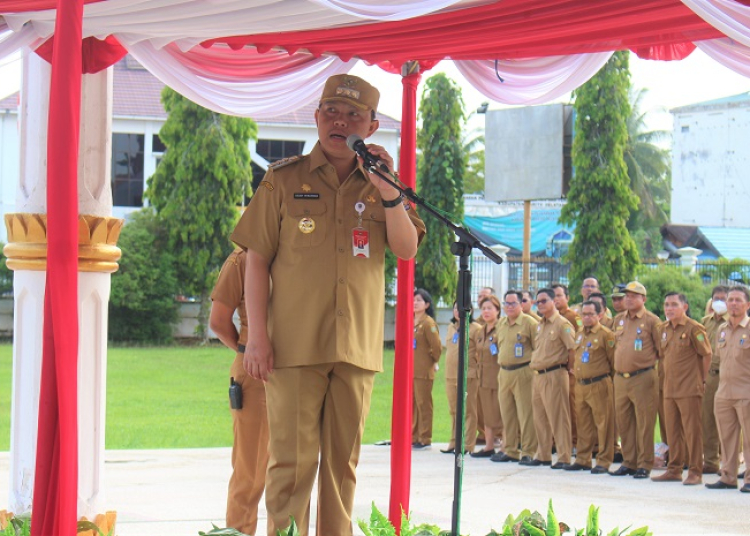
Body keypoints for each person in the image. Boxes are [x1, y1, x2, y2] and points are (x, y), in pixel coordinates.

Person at [231, 73, 425, 536]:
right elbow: (255, 262)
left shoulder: (383, 184)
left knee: (341, 474)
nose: (341, 122)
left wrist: (387, 191)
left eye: (353, 115)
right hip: (293, 349)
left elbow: (406, 248)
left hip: (356, 349)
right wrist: (256, 338)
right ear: (317, 118)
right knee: (291, 469)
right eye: (332, 112)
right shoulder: (283, 179)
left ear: (372, 126)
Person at [209, 248, 269, 535]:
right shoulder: (242, 259)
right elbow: (218, 322)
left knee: (296, 470)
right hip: (256, 375)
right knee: (251, 472)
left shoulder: (300, 247)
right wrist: (251, 353)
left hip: (301, 373)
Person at [651, 293, 711, 486]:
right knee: (672, 430)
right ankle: (674, 469)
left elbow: (706, 354)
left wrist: (703, 380)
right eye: (666, 304)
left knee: (692, 431)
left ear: (684, 307)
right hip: (669, 388)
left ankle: (695, 471)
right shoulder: (663, 329)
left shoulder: (694, 328)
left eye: (674, 304)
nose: (669, 308)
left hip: (689, 388)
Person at [610, 281, 661, 480]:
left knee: (644, 422)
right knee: (624, 422)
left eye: (634, 295)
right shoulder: (619, 320)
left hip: (643, 376)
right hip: (621, 378)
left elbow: (660, 350)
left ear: (643, 299)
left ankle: (644, 463)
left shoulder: (652, 321)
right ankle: (629, 461)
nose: (629, 299)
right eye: (627, 296)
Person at [521, 288, 575, 469]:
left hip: (555, 373)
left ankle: (564, 456)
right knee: (540, 417)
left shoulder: (562, 324)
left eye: (544, 301)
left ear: (554, 302)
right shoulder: (540, 325)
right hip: (539, 375)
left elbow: (572, 349)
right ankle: (543, 454)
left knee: (558, 417)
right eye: (538, 301)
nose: (540, 304)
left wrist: (568, 369)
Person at [705, 286, 750, 493]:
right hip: (724, 392)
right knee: (727, 437)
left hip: (746, 391)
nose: (733, 303)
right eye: (730, 300)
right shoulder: (721, 330)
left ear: (747, 305)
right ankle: (728, 476)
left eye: (738, 300)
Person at [566, 300, 616, 474]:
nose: (586, 318)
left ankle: (603, 460)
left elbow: (613, 362)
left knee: (604, 424)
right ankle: (583, 459)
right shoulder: (579, 334)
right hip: (581, 385)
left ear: (599, 315)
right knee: (583, 423)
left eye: (590, 314)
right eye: (584, 314)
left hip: (599, 383)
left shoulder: (606, 335)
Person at [493, 290, 538, 463]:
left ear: (521, 304)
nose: (509, 307)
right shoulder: (501, 323)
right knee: (507, 413)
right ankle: (510, 449)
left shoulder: (529, 323)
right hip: (504, 372)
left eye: (513, 303)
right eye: (507, 303)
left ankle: (528, 451)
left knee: (526, 414)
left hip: (523, 371)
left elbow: (537, 347)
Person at [441, 302, 482, 455]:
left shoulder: (475, 329)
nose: (458, 311)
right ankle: (454, 442)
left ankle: (467, 444)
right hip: (451, 375)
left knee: (468, 411)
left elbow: (480, 352)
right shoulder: (451, 327)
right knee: (453, 410)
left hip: (468, 375)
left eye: (462, 308)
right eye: (455, 308)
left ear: (470, 310)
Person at [470, 294, 504, 458]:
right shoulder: (481, 330)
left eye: (490, 308)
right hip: (483, 377)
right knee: (487, 412)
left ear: (498, 310)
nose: (486, 311)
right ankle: (489, 445)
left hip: (498, 376)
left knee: (501, 412)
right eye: (483, 308)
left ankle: (506, 446)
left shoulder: (502, 328)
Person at [700, 285, 729, 475]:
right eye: (716, 298)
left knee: (729, 421)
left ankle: (730, 461)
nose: (720, 302)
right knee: (708, 419)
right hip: (710, 376)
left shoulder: (737, 323)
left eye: (724, 299)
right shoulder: (704, 322)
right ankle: (710, 461)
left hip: (729, 376)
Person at [412, 288, 442, 450]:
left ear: (427, 304)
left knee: (424, 404)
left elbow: (436, 347)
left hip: (423, 371)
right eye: (413, 300)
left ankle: (425, 437)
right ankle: (414, 435)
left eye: (419, 300)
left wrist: (433, 361)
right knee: (412, 405)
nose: (415, 303)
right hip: (411, 371)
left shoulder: (428, 323)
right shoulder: (411, 321)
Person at [552, 283, 581, 448]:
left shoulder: (572, 317)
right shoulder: (549, 318)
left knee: (571, 406)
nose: (556, 299)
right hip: (553, 370)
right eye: (553, 296)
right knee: (556, 407)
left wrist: (571, 367)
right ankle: (557, 441)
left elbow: (576, 344)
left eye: (559, 295)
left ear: (567, 298)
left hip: (568, 370)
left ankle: (574, 441)